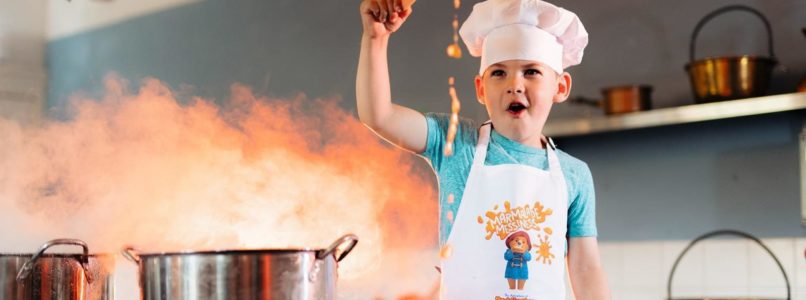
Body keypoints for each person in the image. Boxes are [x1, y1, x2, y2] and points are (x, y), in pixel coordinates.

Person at [356, 0, 610, 298]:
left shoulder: (575, 175)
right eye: (499, 73)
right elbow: (379, 116)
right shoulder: (454, 142)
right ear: (480, 88)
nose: (514, 85)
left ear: (561, 87)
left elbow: (585, 268)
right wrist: (375, 39)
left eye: (531, 72)